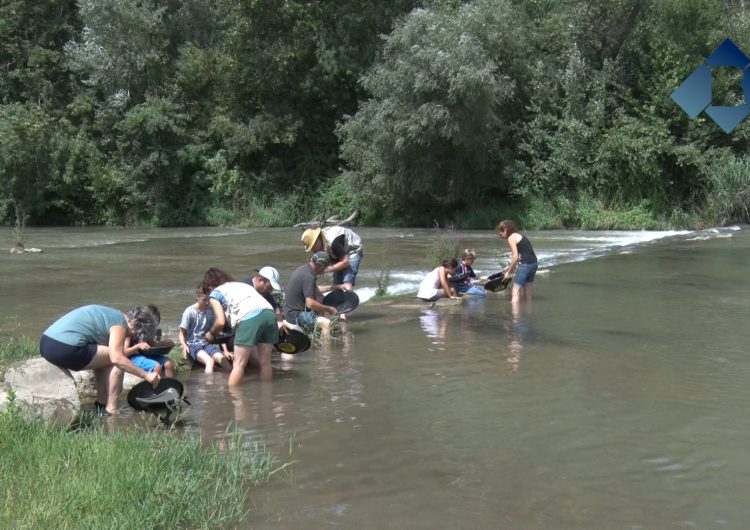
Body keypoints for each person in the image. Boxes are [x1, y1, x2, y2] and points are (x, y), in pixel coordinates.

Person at [39, 304, 161, 416]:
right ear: (133, 323)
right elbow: (117, 358)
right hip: (64, 348)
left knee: (106, 358)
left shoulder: (111, 315)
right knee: (119, 359)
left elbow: (103, 357)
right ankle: (111, 409)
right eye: (135, 333)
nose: (132, 336)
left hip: (46, 343)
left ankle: (100, 405)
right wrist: (145, 375)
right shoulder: (120, 325)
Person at [200, 267, 278, 384]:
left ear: (210, 287)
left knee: (238, 365)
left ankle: (234, 397)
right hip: (270, 315)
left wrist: (210, 334)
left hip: (251, 316)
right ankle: (266, 396)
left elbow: (220, 322)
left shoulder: (215, 294)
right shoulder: (242, 286)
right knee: (265, 363)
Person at [283, 251, 338, 333]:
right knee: (327, 324)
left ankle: (317, 333)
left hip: (289, 312)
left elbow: (315, 289)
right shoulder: (309, 276)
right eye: (324, 268)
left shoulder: (303, 269)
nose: (323, 272)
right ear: (321, 266)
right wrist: (329, 309)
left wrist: (335, 287)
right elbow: (310, 303)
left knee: (320, 297)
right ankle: (325, 345)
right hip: (296, 316)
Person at [179, 289, 232, 373]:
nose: (207, 302)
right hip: (192, 344)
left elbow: (217, 332)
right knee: (210, 361)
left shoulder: (210, 311)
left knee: (223, 360)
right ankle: (208, 385)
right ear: (197, 298)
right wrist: (184, 346)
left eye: (208, 299)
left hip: (206, 343)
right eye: (204, 300)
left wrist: (225, 350)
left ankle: (230, 382)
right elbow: (181, 333)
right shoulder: (189, 311)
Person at [300, 225, 363, 293]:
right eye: (311, 248)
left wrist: (326, 269)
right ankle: (339, 302)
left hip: (353, 250)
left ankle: (350, 301)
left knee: (347, 281)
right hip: (338, 252)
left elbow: (346, 263)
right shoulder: (321, 244)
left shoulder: (333, 243)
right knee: (337, 284)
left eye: (313, 246)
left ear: (317, 240)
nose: (313, 250)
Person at [124, 304, 175, 379]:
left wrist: (165, 343)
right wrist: (137, 347)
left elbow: (152, 344)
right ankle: (154, 388)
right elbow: (124, 353)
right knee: (156, 365)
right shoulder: (130, 331)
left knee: (168, 363)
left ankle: (170, 386)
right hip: (132, 357)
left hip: (143, 355)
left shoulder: (147, 330)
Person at [496, 220, 538, 304]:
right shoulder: (519, 235)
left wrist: (508, 272)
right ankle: (528, 313)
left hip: (525, 265)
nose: (500, 235)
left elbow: (515, 257)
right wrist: (509, 266)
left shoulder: (511, 238)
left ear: (506, 230)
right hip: (534, 264)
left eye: (501, 232)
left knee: (515, 292)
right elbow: (521, 254)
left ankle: (515, 316)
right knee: (528, 293)